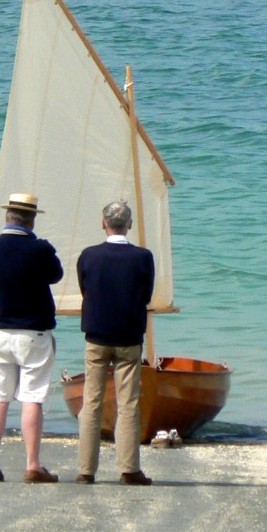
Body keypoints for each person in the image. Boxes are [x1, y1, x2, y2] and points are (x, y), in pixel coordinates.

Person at [0, 192, 64, 483]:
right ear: (33, 219)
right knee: (32, 399)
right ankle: (32, 465)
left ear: (7, 216)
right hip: (32, 333)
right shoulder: (40, 249)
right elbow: (55, 276)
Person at [75, 200, 155, 486]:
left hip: (96, 335)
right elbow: (146, 295)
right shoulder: (143, 257)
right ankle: (129, 469)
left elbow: (85, 289)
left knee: (91, 402)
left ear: (103, 222)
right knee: (128, 404)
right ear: (129, 224)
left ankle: (86, 470)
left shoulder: (88, 255)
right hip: (129, 336)